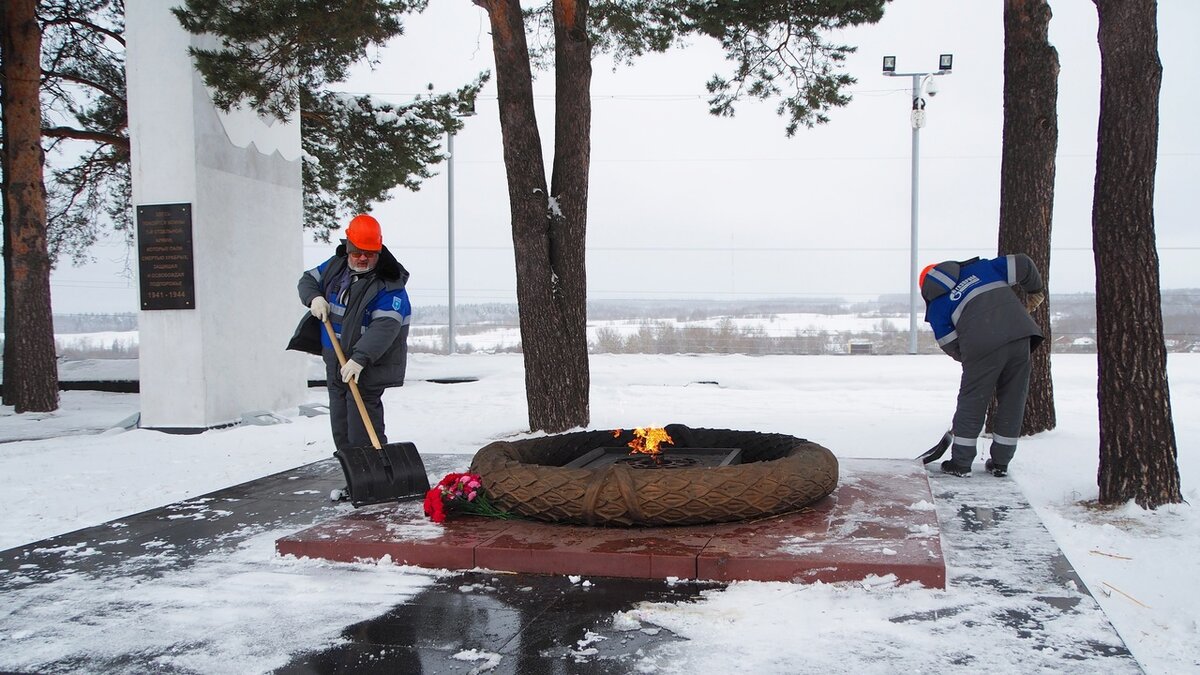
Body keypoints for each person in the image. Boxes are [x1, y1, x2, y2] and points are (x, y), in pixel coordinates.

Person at [919, 254, 1045, 477]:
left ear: (926, 289)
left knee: (973, 401)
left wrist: (977, 360)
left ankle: (961, 464)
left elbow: (950, 344)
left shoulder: (938, 306)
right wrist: (1035, 291)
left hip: (981, 346)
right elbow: (1024, 263)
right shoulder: (983, 268)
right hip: (1021, 336)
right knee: (1013, 399)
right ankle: (1001, 463)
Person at [298, 214, 411, 451]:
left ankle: (374, 471)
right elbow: (308, 279)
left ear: (378, 251)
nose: (362, 258)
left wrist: (359, 359)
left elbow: (385, 328)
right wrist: (314, 297)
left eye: (369, 254)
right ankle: (350, 473)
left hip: (366, 364)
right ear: (348, 247)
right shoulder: (336, 266)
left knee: (362, 425)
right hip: (335, 357)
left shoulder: (389, 284)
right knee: (340, 422)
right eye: (357, 251)